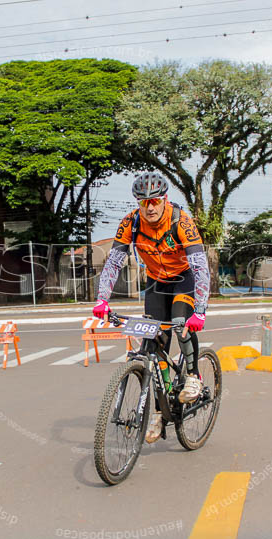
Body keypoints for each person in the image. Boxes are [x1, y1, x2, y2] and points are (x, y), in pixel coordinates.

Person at [92, 171, 211, 444]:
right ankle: (161, 409)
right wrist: (102, 300)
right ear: (137, 203)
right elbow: (113, 262)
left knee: (180, 323)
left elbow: (201, 268)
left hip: (184, 280)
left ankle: (193, 376)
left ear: (164, 199)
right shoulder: (131, 223)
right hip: (156, 282)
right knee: (154, 340)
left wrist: (200, 310)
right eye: (144, 202)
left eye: (155, 201)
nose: (150, 207)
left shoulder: (182, 221)